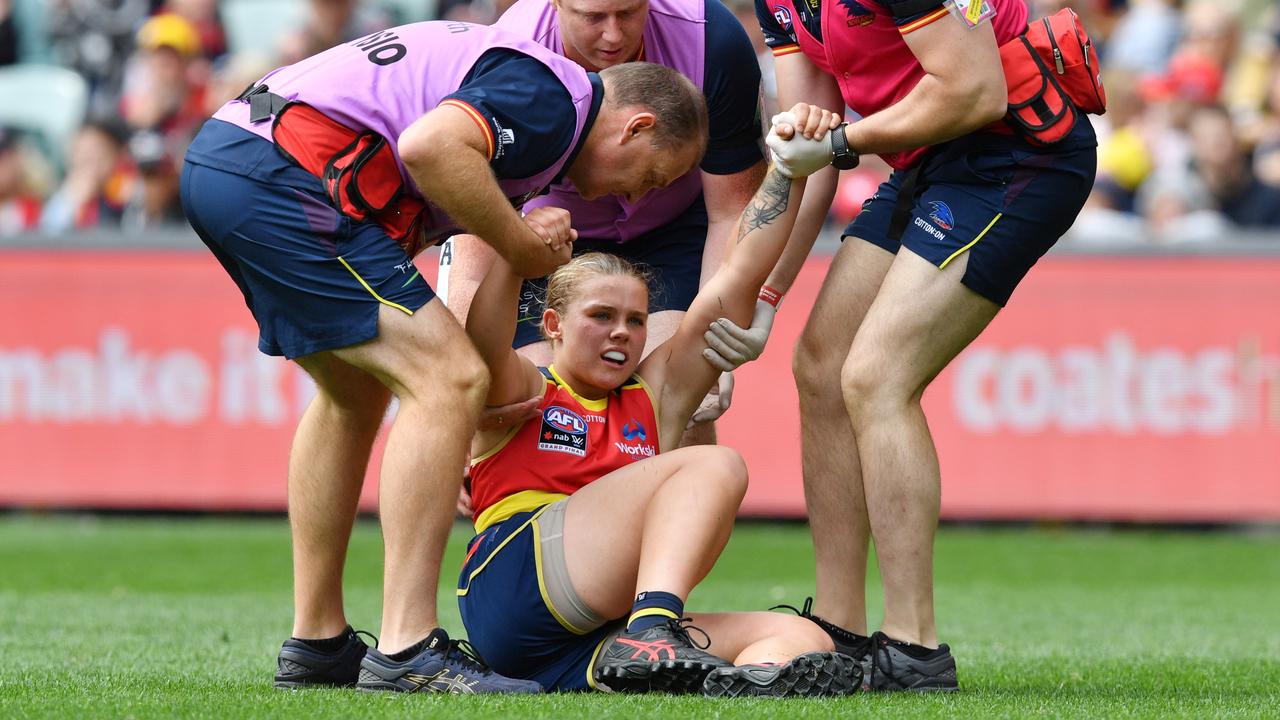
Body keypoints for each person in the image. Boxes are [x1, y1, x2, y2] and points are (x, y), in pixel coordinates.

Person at [180, 20, 708, 694]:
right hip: (285, 176)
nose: (634, 199)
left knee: (354, 394)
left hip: (240, 161)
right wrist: (521, 247)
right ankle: (407, 649)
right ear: (632, 129)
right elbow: (429, 147)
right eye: (649, 177)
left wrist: (515, 246)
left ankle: (316, 641)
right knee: (449, 378)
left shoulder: (538, 103)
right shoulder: (557, 100)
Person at [703, 0, 1098, 691]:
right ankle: (839, 631)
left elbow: (975, 91)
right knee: (822, 367)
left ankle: (915, 649)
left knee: (876, 377)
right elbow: (811, 149)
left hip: (1017, 152)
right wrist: (768, 296)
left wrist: (835, 145)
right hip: (928, 159)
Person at [454, 121, 862, 696]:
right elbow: (481, 343)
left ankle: (722, 679)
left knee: (798, 637)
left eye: (636, 321)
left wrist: (789, 172)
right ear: (553, 326)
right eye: (601, 316)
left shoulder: (651, 398)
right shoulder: (525, 386)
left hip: (594, 631)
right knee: (714, 464)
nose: (621, 334)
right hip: (516, 589)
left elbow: (737, 278)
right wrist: (517, 250)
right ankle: (651, 631)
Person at [438, 0, 770, 443]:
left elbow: (734, 211)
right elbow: (473, 231)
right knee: (530, 410)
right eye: (593, 17)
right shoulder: (513, 53)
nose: (613, 36)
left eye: (629, 14)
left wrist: (715, 343)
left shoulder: (713, 40)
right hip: (546, 234)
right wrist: (466, 385)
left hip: (674, 229)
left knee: (682, 406)